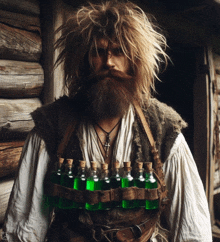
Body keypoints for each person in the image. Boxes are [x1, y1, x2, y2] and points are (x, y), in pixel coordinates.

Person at [3, 1, 212, 241]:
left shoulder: (162, 127)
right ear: (84, 60)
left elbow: (192, 227)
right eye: (98, 52)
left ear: (135, 60)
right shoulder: (52, 124)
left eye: (119, 52)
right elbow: (25, 222)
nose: (109, 62)